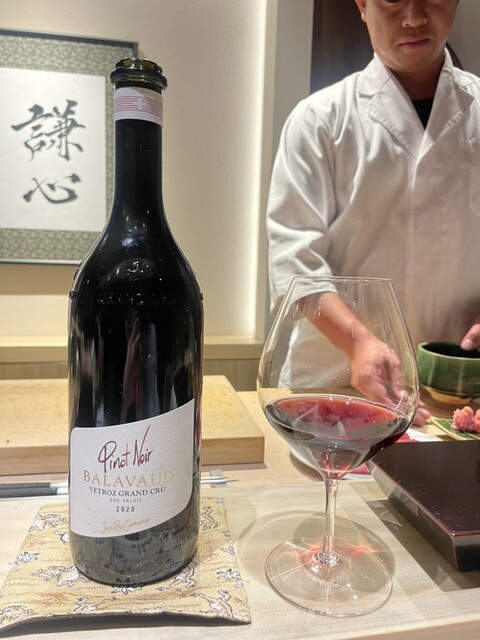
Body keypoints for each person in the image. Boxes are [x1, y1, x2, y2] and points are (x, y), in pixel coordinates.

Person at [266, 0, 480, 425]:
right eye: (393, 0)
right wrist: (358, 342)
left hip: (457, 394)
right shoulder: (319, 120)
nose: (414, 18)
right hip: (333, 386)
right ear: (362, 5)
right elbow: (295, 262)